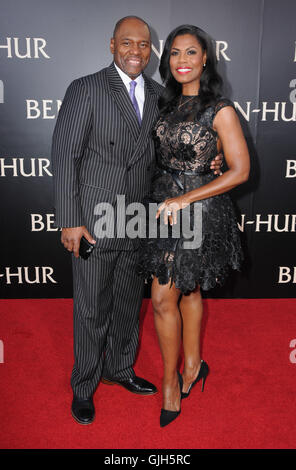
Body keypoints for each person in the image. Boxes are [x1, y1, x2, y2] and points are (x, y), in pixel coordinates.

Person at [51, 16, 223, 425]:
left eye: (143, 45)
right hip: (95, 219)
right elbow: (64, 157)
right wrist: (70, 220)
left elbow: (178, 149)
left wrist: (212, 161)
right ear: (112, 45)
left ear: (151, 50)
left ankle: (119, 369)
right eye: (127, 43)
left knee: (129, 303)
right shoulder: (87, 88)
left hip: (140, 219)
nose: (135, 51)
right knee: (92, 308)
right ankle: (84, 385)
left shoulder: (161, 95)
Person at [137, 24, 250, 427]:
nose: (182, 61)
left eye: (191, 53)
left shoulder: (219, 109)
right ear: (166, 61)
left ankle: (175, 379)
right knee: (179, 292)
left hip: (199, 210)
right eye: (174, 54)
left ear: (205, 59)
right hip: (162, 208)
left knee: (173, 292)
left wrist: (187, 196)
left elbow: (239, 171)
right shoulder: (163, 106)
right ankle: (189, 365)